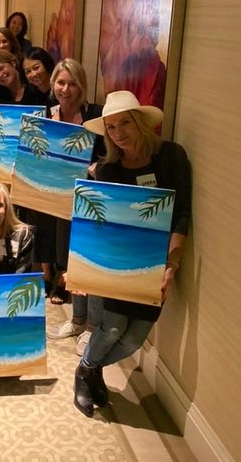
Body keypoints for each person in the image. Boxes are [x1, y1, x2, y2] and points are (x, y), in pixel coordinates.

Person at [71, 91, 192, 417]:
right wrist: (82, 271)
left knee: (133, 340)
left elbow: (182, 213)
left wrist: (172, 264)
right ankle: (85, 372)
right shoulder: (109, 169)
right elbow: (96, 223)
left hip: (155, 264)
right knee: (112, 328)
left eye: (125, 123)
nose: (118, 133)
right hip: (117, 263)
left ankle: (89, 368)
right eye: (110, 127)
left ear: (140, 122)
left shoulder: (171, 157)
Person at [44, 59, 104, 314]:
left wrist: (96, 166)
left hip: (85, 187)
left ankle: (66, 276)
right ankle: (52, 272)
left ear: (82, 86)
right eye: (60, 83)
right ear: (53, 84)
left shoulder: (95, 115)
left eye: (72, 84)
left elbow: (108, 154)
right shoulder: (47, 113)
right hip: (53, 184)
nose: (65, 89)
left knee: (69, 218)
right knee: (39, 207)